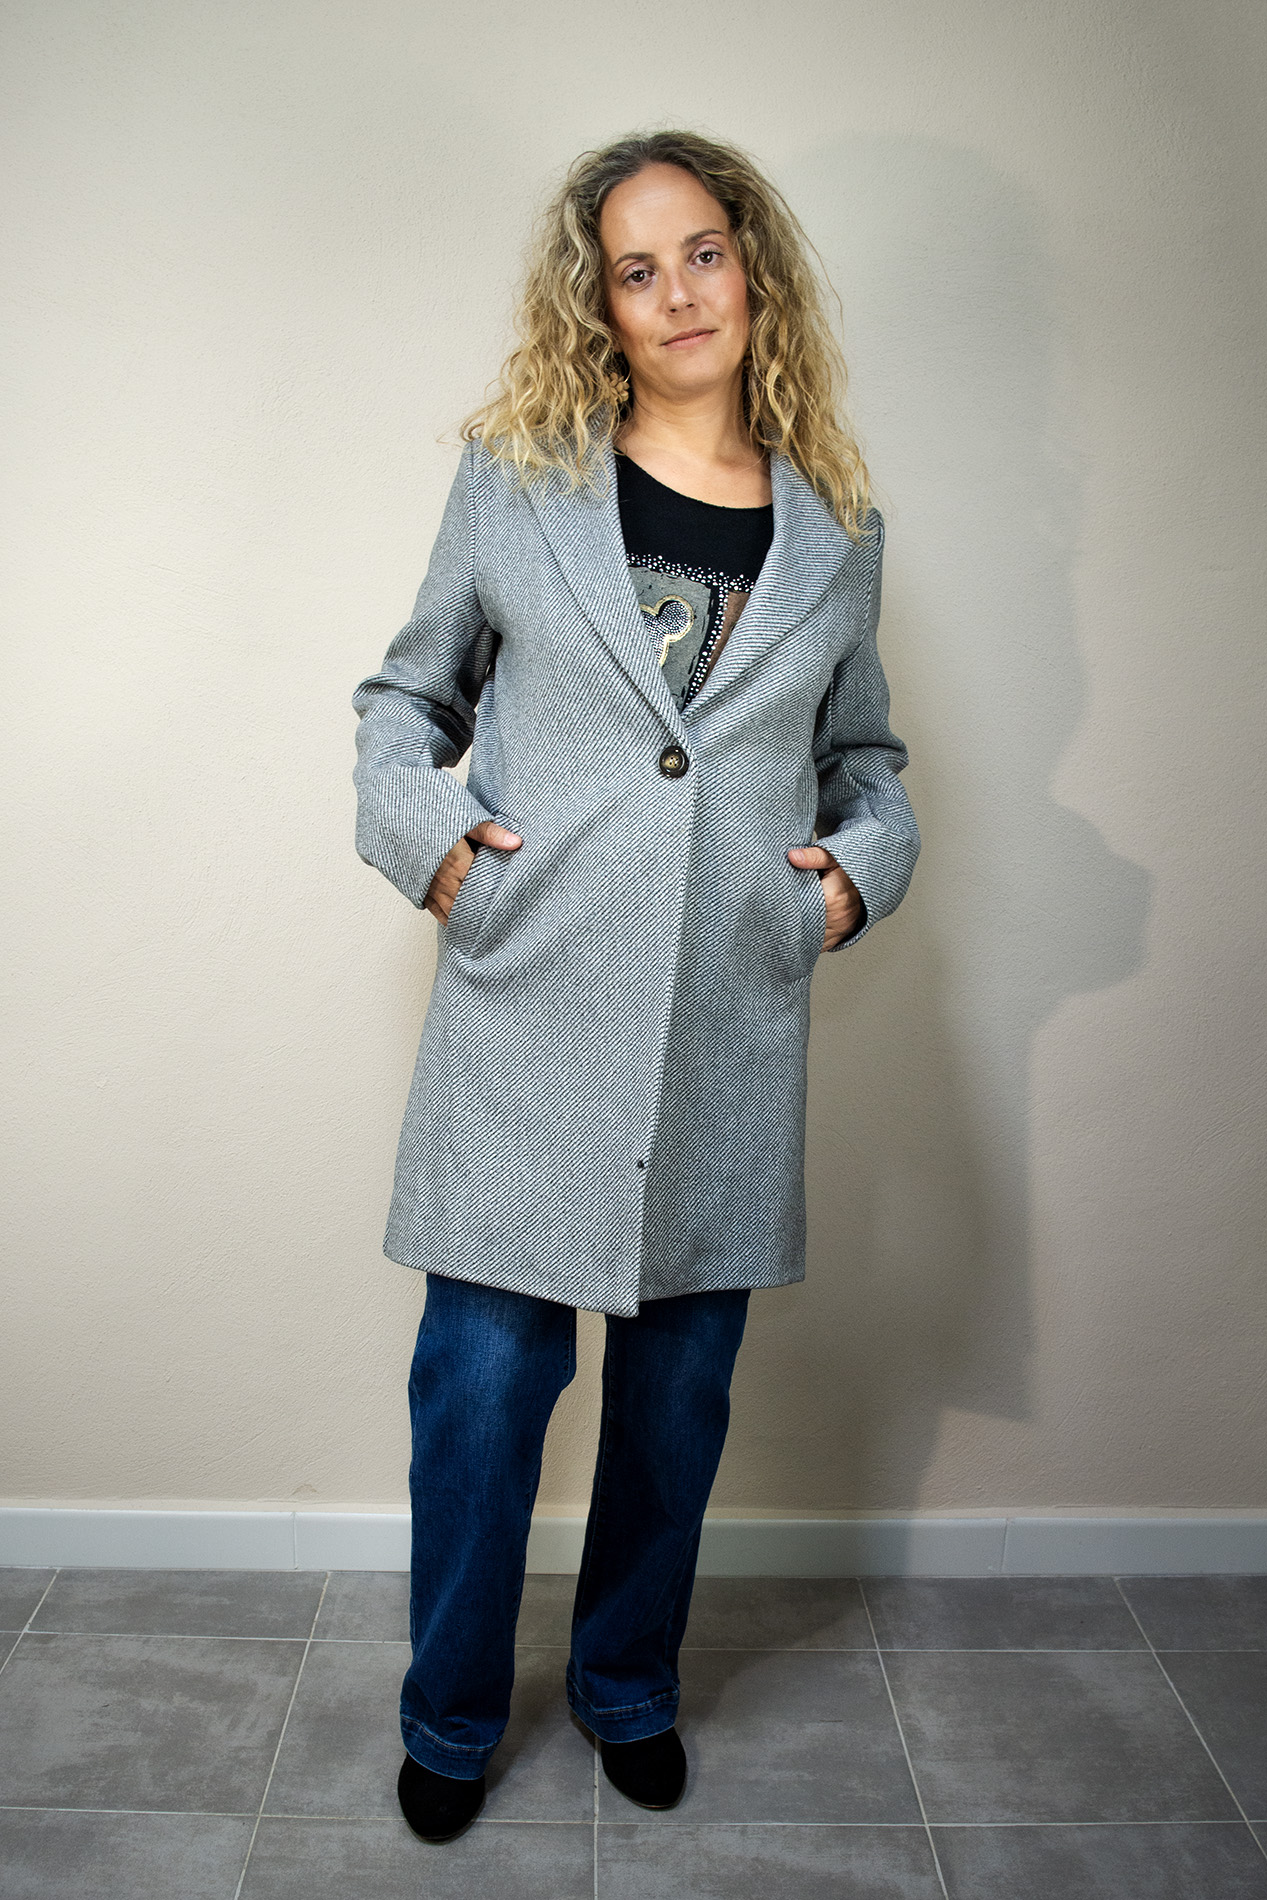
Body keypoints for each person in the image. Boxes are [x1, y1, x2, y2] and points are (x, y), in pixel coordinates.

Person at [350, 129, 920, 1844]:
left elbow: (869, 761)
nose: (678, 293)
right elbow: (406, 702)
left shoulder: (838, 529)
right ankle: (451, 1718)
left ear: (755, 271)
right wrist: (437, 849)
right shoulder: (516, 478)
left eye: (704, 254)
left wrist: (849, 882)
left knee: (676, 1409)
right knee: (479, 1397)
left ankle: (625, 1690)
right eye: (636, 268)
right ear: (598, 304)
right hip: (531, 1004)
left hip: (726, 1024)